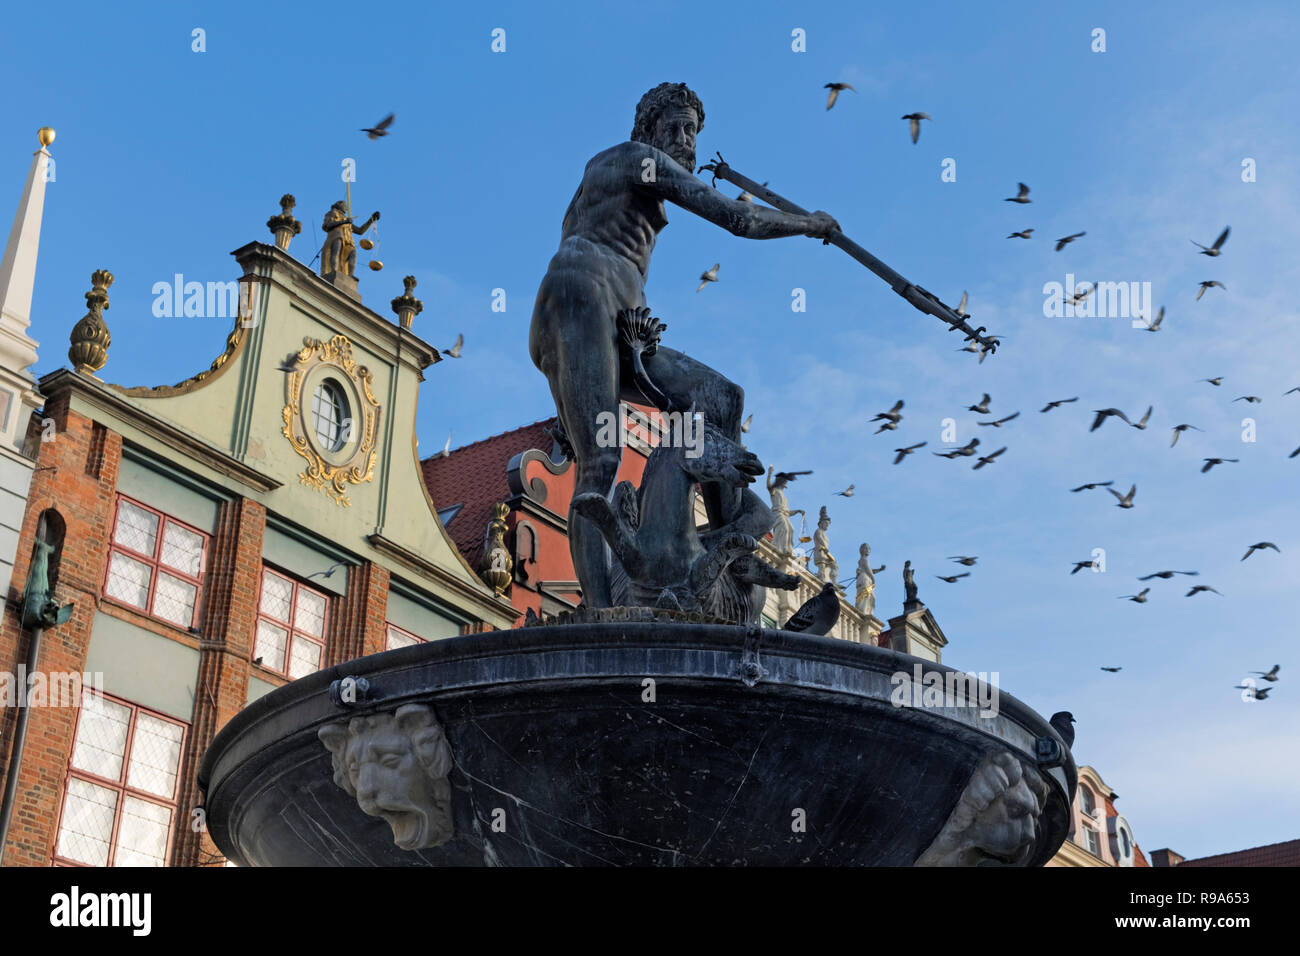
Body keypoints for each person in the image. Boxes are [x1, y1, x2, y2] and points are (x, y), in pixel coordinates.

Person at [530, 82, 839, 606]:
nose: (685, 142)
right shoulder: (633, 160)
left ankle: (729, 558)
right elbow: (737, 218)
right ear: (647, 131)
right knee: (601, 462)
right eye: (673, 128)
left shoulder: (622, 184)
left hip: (622, 321)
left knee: (723, 398)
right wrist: (808, 224)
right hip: (581, 297)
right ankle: (604, 614)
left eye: (692, 131)